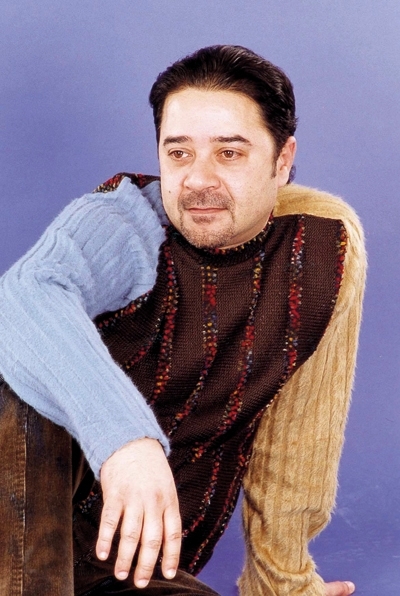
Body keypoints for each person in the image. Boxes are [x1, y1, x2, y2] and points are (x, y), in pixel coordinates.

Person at [0, 45, 366, 595]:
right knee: (23, 366)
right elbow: (26, 295)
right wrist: (126, 440)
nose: (197, 179)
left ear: (282, 159)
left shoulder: (319, 246)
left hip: (125, 563)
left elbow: (300, 436)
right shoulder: (125, 222)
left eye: (229, 153)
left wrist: (284, 585)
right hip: (16, 530)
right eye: (179, 153)